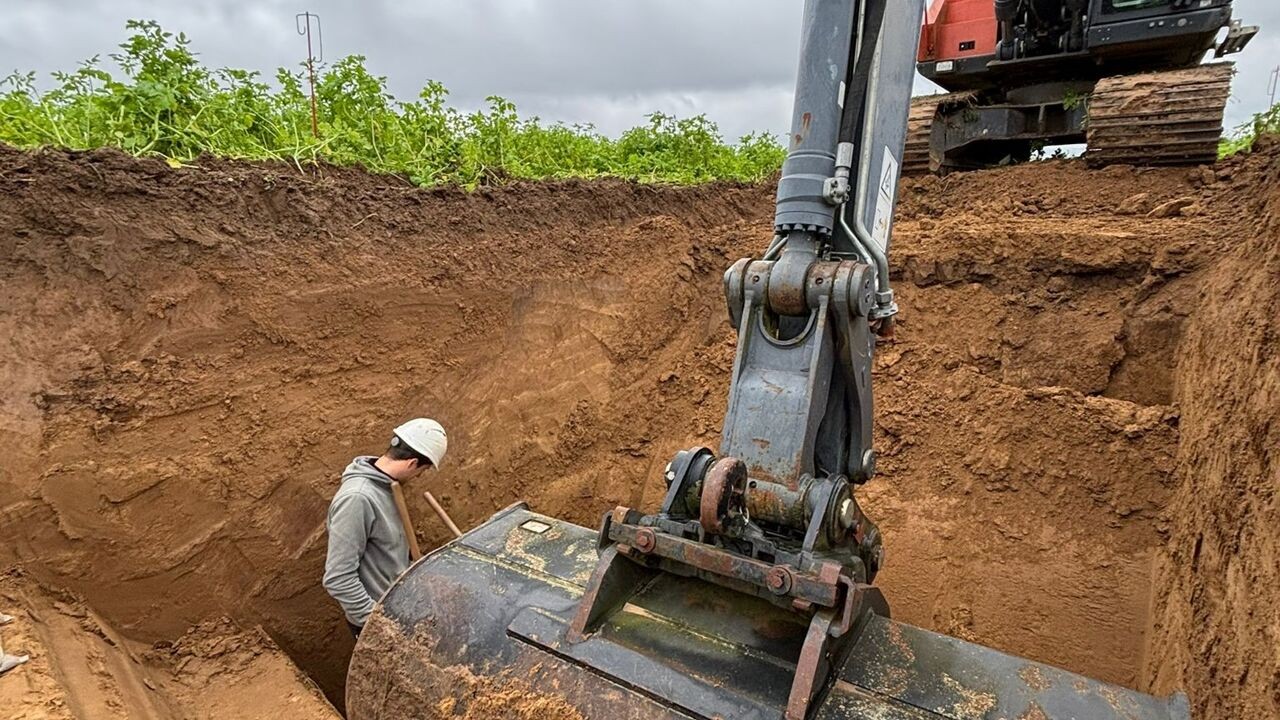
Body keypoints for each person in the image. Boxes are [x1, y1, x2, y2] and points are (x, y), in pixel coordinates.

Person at [323, 418, 447, 639]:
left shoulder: (387, 487)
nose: (418, 477)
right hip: (376, 623)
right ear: (412, 463)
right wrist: (378, 624)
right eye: (422, 471)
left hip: (397, 607)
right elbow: (338, 577)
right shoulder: (358, 499)